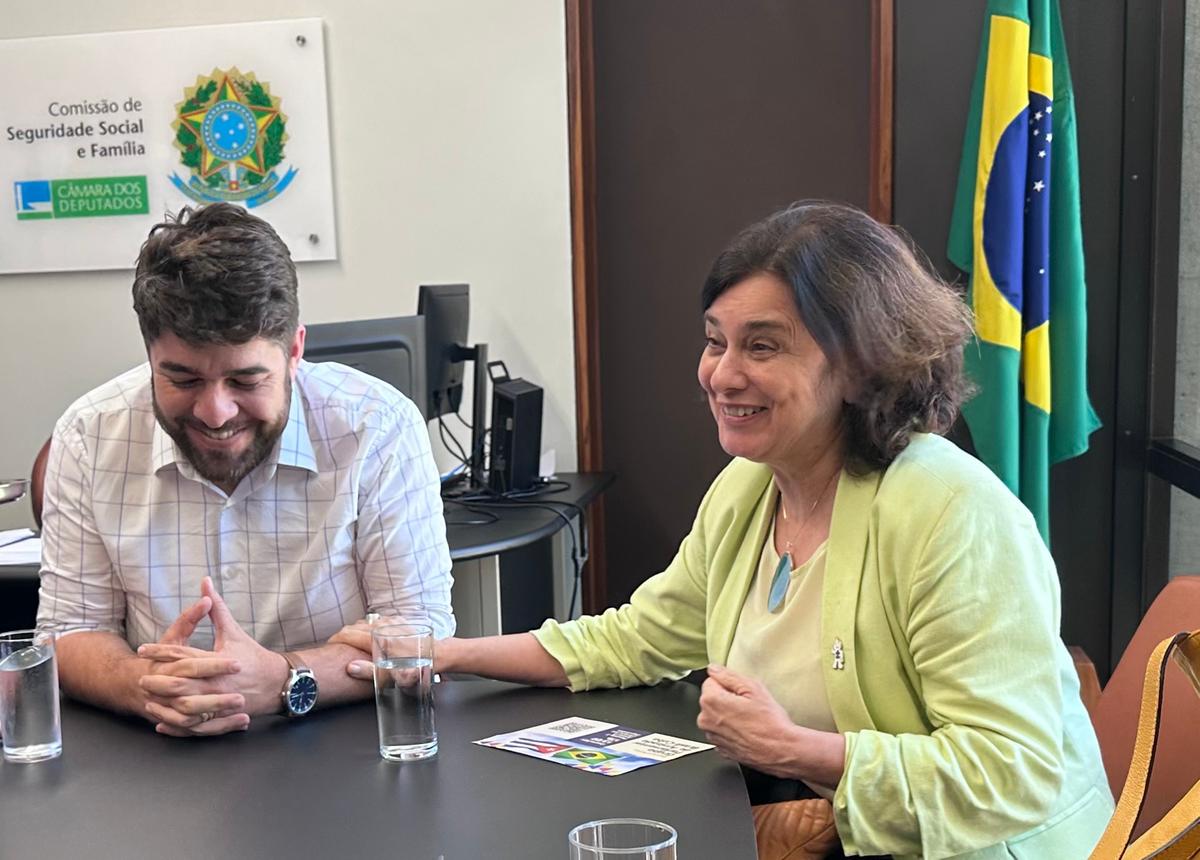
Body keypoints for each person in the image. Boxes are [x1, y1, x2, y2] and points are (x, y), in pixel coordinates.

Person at [336, 201, 1112, 859]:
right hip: (835, 826)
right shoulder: (749, 487)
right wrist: (440, 653)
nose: (722, 373)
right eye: (716, 341)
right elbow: (639, 638)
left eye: (762, 346)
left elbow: (1017, 772)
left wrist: (795, 750)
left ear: (862, 364)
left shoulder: (953, 515)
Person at [37, 203, 454, 737]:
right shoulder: (89, 435)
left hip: (346, 749)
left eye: (245, 381)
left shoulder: (378, 426)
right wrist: (148, 685)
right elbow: (71, 631)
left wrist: (284, 679)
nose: (216, 413)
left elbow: (419, 633)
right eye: (183, 380)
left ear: (295, 351)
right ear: (149, 355)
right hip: (157, 761)